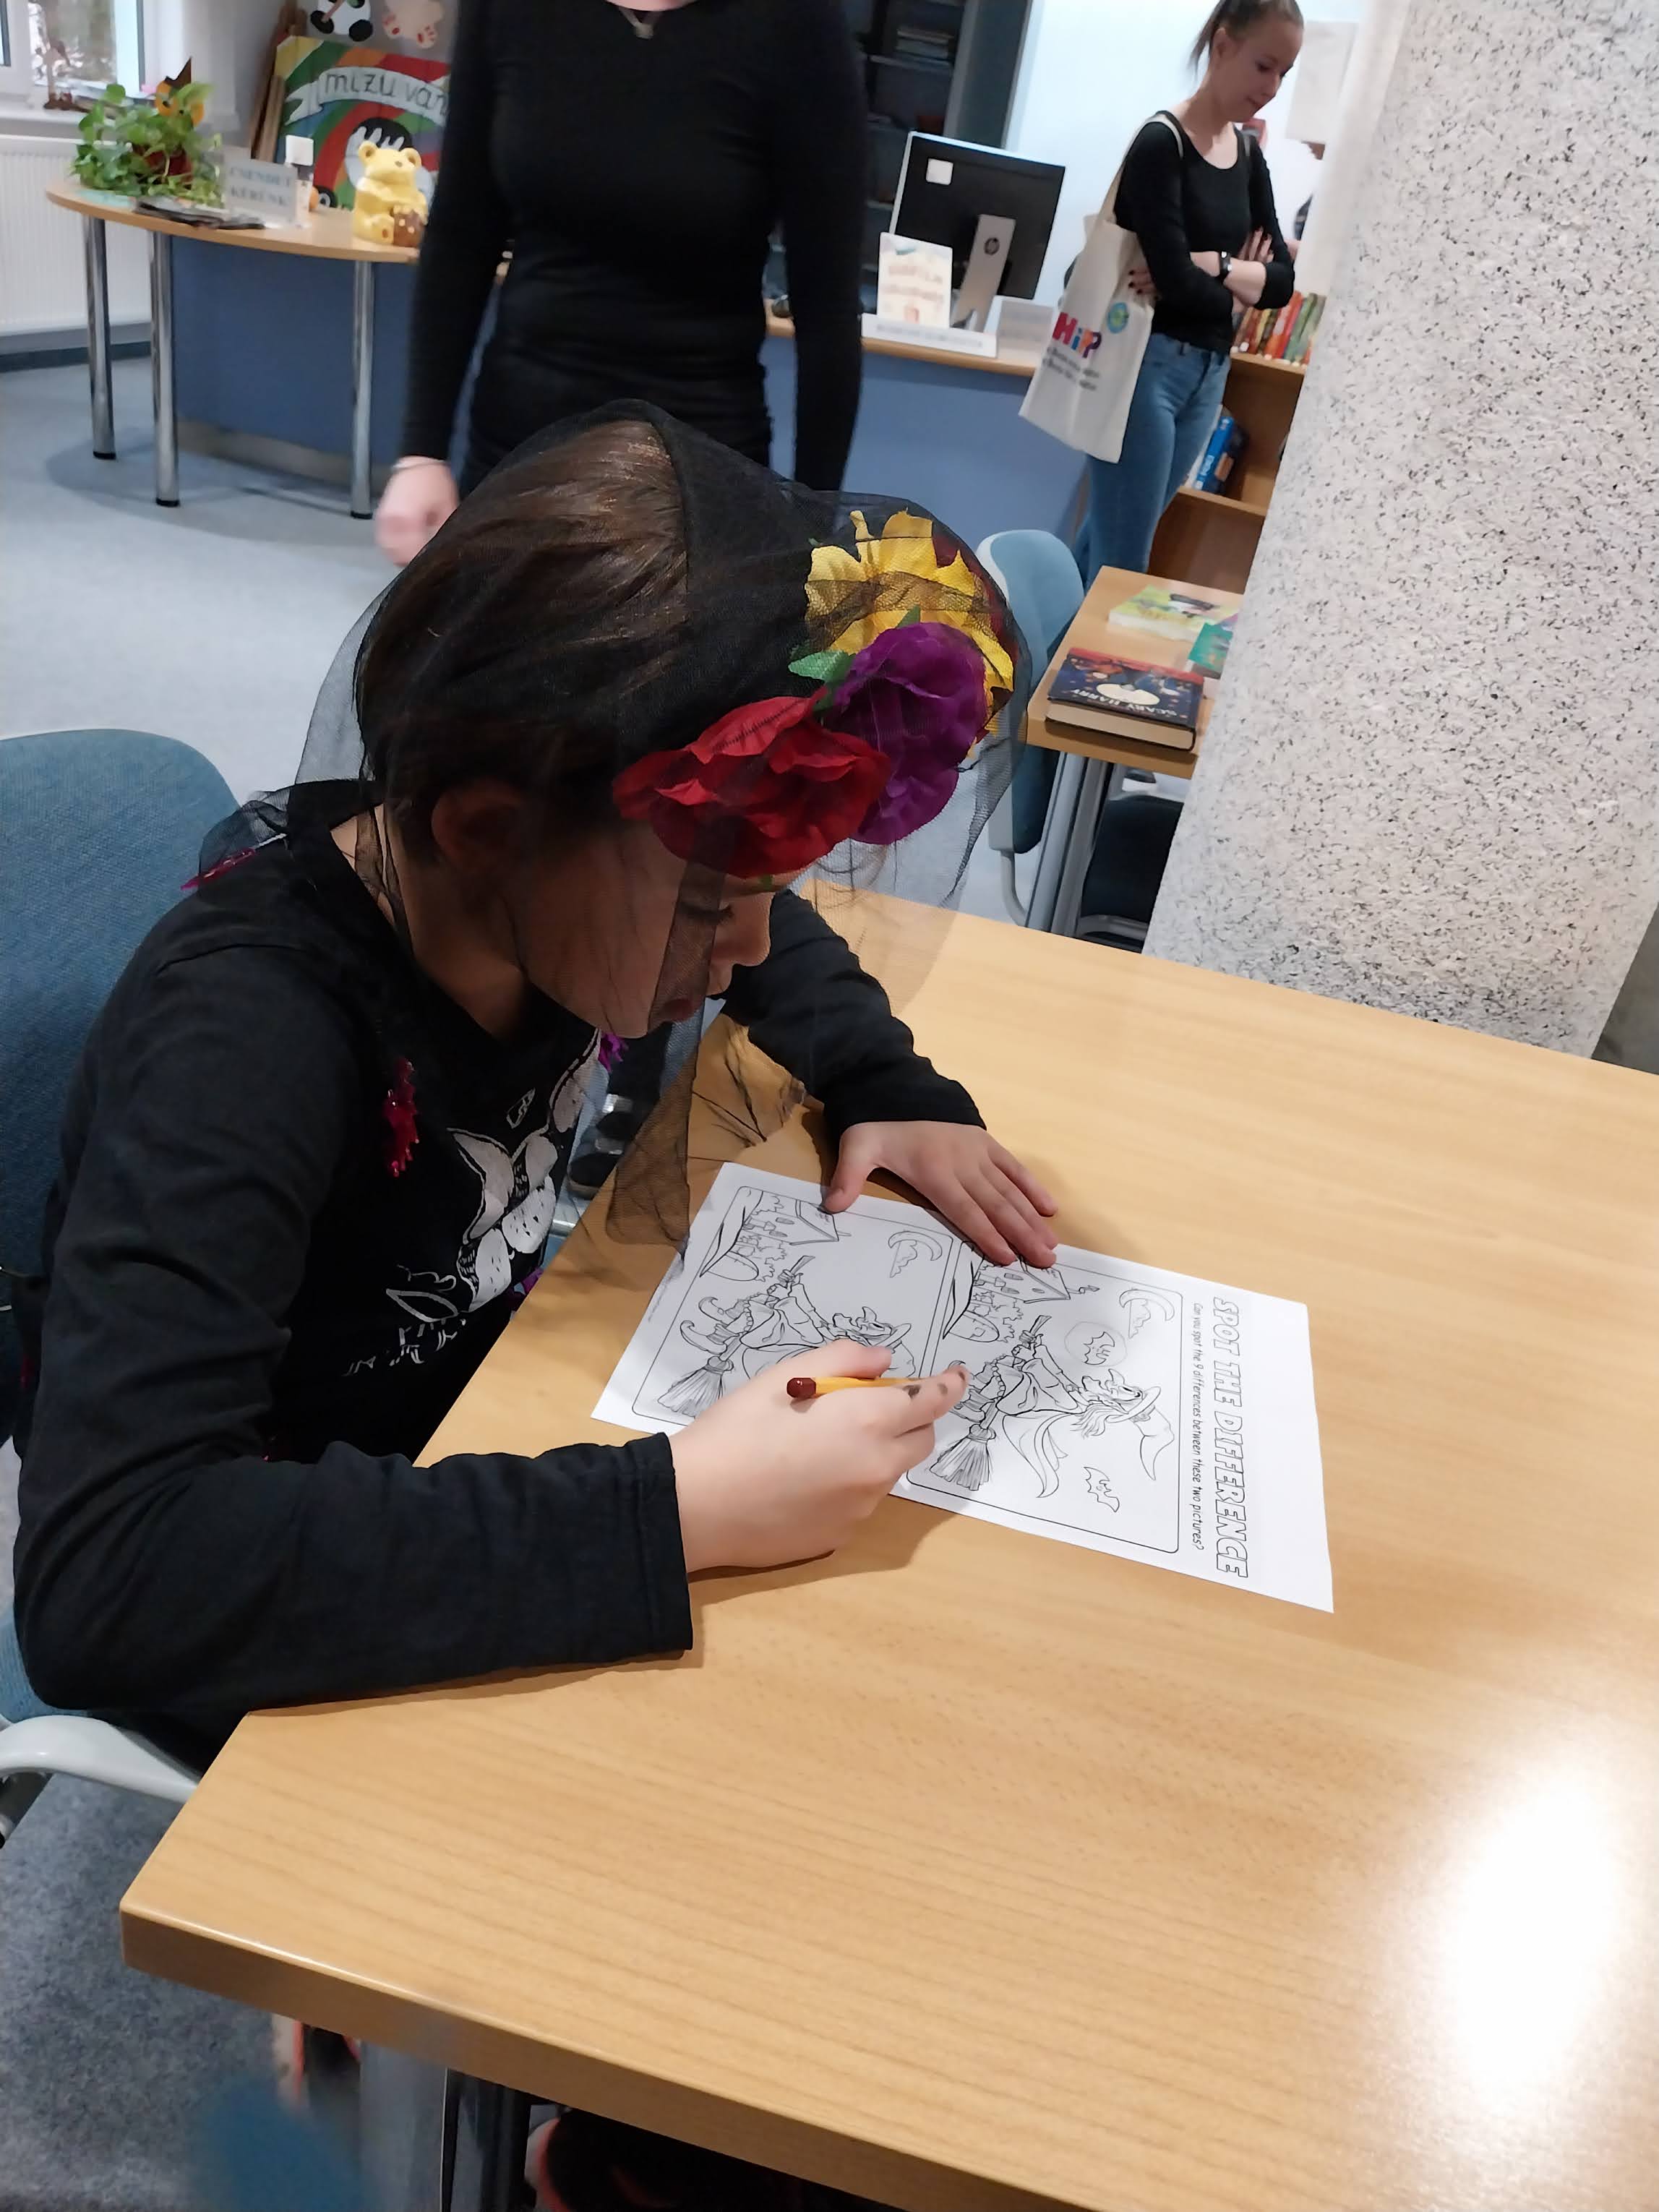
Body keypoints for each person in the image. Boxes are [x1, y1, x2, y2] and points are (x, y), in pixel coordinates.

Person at [13, 406, 1053, 2212]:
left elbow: (769, 925)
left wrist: (886, 1083)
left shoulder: (553, 875)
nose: (741, 944)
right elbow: (114, 1576)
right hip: (278, 1568)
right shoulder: (248, 1035)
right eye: (710, 899)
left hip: (471, 1443)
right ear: (485, 825)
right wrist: (669, 1510)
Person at [373, 0, 867, 570]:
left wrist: (814, 529)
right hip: (518, 455)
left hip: (698, 476)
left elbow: (827, 305)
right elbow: (461, 235)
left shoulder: (796, 23)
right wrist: (422, 452)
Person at [1073, 0, 1302, 583]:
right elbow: (1174, 286)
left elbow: (1281, 283)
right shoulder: (1162, 144)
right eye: (1263, 66)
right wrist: (1236, 286)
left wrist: (1209, 264)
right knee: (1122, 566)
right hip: (1143, 366)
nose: (1272, 88)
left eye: (1283, 73)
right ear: (1222, 46)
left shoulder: (1247, 155)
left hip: (1208, 374)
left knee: (1103, 546)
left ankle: (1037, 641)